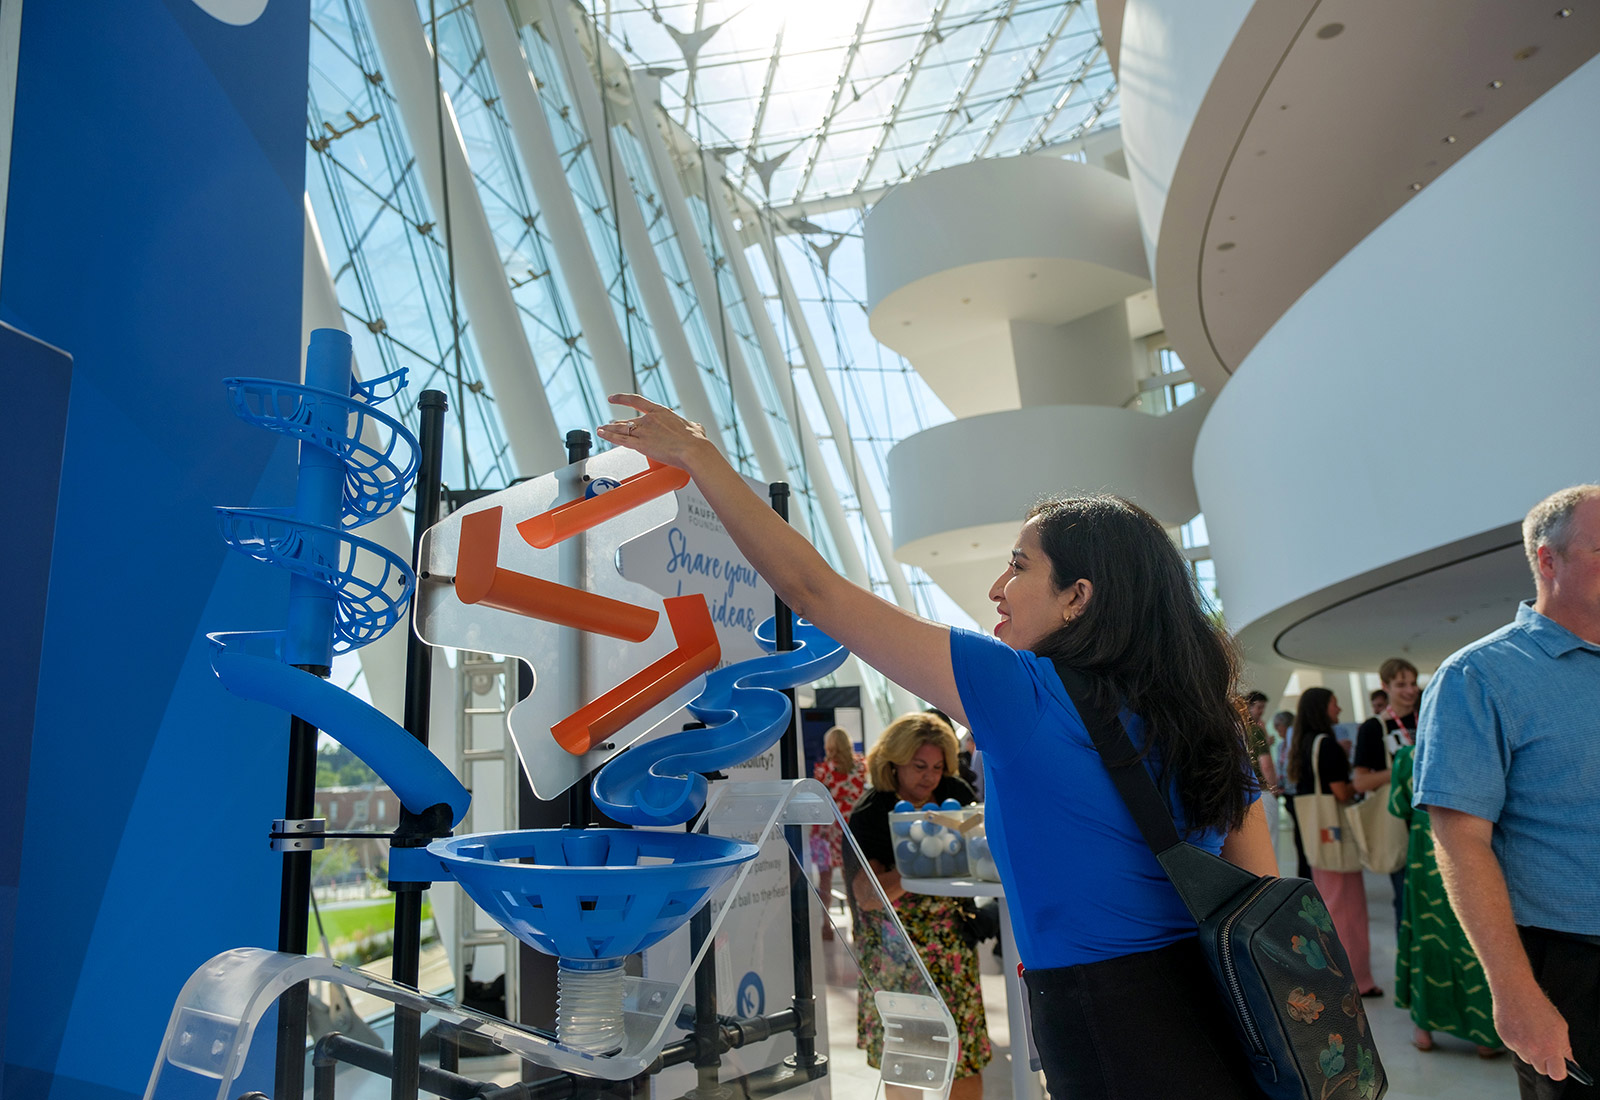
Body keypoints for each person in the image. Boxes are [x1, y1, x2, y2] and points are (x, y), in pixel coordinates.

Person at [595, 394, 1276, 1100]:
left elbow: (812, 592)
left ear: (1078, 597)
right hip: (1218, 1026)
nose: (996, 587)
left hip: (1105, 1029)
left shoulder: (1024, 694)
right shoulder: (1208, 718)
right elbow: (1260, 895)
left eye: (1018, 566)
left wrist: (698, 455)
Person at [1414, 485, 1600, 1097]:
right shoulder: (1480, 676)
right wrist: (1516, 995)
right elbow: (1461, 841)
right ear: (1549, 560)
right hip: (1574, 967)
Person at [846, 713, 990, 1098]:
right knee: (908, 1063)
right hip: (896, 951)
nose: (929, 777)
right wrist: (924, 859)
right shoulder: (872, 811)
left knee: (963, 1058)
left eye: (938, 767)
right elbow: (867, 897)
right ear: (893, 762)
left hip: (950, 948)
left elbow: (981, 858)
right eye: (919, 766)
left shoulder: (956, 793)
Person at [1388, 738, 1504, 1057]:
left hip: (1425, 856)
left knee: (1427, 934)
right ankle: (1485, 1034)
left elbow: (1398, 806)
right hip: (1474, 850)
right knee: (1477, 932)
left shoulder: (1407, 756)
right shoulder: (1480, 750)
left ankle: (1424, 1028)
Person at [1288, 686, 1380, 997]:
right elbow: (1341, 792)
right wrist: (1365, 783)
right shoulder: (1327, 745)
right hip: (1336, 838)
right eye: (1334, 704)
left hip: (1316, 837)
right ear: (1321, 709)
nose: (1338, 711)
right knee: (1348, 909)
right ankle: (1357, 979)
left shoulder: (1302, 744)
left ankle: (1331, 974)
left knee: (1328, 906)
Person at [1353, 657, 1421, 934]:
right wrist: (1402, 768)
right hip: (1400, 827)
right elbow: (1360, 782)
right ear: (1386, 686)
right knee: (1407, 902)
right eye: (1401, 684)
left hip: (1436, 823)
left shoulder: (1430, 716)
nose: (1409, 690)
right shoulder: (1374, 728)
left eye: (1413, 683)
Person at [811, 725, 866, 938]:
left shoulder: (823, 771)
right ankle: (856, 923)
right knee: (851, 879)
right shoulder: (861, 767)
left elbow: (817, 804)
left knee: (824, 880)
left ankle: (826, 924)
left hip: (825, 832)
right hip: (851, 831)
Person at [1274, 709, 1311, 878]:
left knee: (1303, 835)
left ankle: (1307, 872)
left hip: (1297, 793)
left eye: (1278, 726)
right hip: (1288, 793)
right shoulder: (1281, 745)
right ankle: (1304, 872)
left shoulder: (1294, 741)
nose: (1277, 730)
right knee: (1298, 834)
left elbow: (1291, 766)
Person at [1244, 691, 1280, 854]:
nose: (1261, 712)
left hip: (1245, 792)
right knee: (1270, 844)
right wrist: (1274, 788)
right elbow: (1266, 765)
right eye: (1259, 707)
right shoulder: (1255, 731)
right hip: (1262, 791)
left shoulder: (1237, 729)